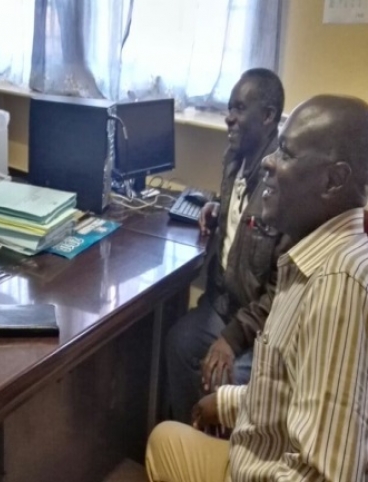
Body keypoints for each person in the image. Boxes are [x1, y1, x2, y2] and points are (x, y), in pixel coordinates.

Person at [146, 94, 368, 481]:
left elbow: (324, 475)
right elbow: (292, 389)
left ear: (334, 180)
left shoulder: (339, 287)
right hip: (256, 450)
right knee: (165, 437)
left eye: (286, 152)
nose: (269, 160)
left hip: (262, 470)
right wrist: (229, 402)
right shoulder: (317, 252)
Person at [165, 68, 291, 423]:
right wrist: (217, 206)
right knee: (178, 343)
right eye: (229, 108)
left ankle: (227, 459)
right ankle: (194, 435)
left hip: (258, 326)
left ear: (268, 117)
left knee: (224, 375)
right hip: (222, 303)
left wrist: (232, 340)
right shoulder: (236, 158)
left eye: (239, 109)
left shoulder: (282, 185)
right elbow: (243, 214)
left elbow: (280, 290)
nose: (229, 117)